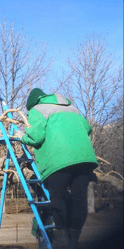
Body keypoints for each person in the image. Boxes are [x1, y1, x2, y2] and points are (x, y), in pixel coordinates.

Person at [19, 88, 98, 249]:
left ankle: (62, 240)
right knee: (79, 198)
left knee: (58, 198)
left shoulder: (36, 110)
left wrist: (23, 137)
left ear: (31, 104)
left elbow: (37, 136)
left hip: (58, 161)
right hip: (84, 158)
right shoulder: (71, 108)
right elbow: (87, 128)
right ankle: (73, 239)